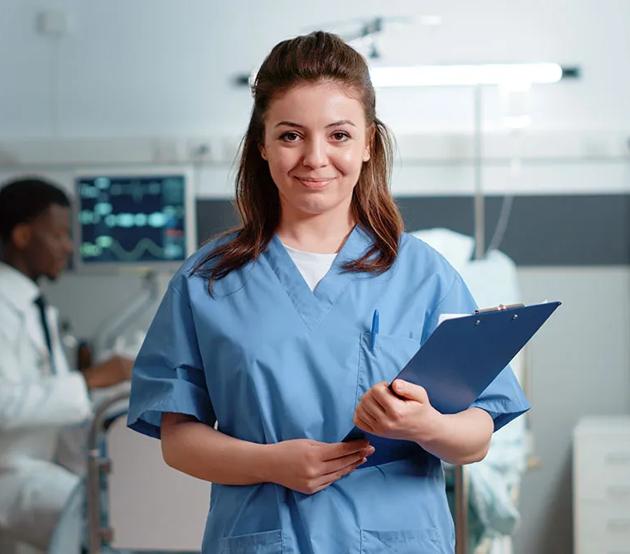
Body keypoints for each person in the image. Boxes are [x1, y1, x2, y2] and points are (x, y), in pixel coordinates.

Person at [127, 31, 529, 553]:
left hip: (397, 538)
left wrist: (426, 424)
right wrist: (272, 464)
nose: (315, 158)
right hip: (263, 537)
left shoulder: (423, 274)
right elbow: (177, 438)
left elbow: (477, 434)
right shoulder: (208, 278)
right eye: (291, 135)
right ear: (262, 145)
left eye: (339, 135)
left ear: (368, 145)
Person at [0, 177, 133, 553]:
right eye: (58, 235)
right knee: (99, 519)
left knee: (116, 505)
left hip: (38, 467)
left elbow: (60, 404)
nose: (68, 247)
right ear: (23, 236)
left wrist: (113, 387)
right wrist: (89, 380)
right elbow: (4, 405)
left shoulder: (37, 309)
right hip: (9, 475)